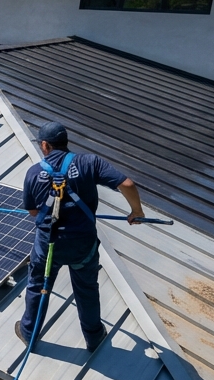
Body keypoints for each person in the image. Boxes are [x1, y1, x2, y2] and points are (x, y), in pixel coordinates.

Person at [18, 121, 144, 352]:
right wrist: (136, 211)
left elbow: (34, 212)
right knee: (87, 290)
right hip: (83, 246)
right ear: (65, 142)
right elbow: (127, 183)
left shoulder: (34, 173)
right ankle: (94, 338)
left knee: (38, 286)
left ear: (45, 145)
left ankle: (29, 333)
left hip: (49, 246)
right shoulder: (89, 162)